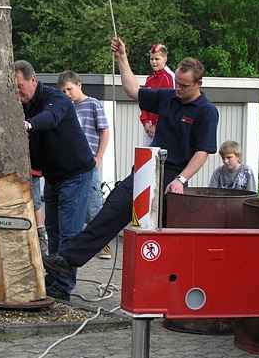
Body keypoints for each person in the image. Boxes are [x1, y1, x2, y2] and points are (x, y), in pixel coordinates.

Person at [44, 37, 219, 300]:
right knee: (112, 208)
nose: (179, 90)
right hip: (147, 168)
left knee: (160, 234)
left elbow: (203, 152)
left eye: (184, 86)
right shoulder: (167, 97)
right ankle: (66, 260)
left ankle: (169, 291)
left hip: (172, 176)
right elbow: (132, 91)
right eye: (177, 85)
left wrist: (182, 180)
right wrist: (122, 58)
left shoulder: (207, 111)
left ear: (198, 84)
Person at [14, 60, 95, 260]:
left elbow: (50, 117)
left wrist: (27, 125)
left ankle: (63, 287)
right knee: (54, 232)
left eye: (19, 87)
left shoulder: (57, 98)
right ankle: (55, 280)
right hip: (52, 177)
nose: (16, 93)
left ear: (32, 80)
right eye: (12, 89)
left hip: (75, 174)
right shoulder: (21, 104)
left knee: (69, 235)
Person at [57, 70, 112, 259]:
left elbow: (104, 131)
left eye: (69, 89)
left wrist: (99, 157)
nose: (67, 94)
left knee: (93, 203)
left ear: (79, 85)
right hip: (71, 164)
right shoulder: (66, 108)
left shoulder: (93, 104)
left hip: (89, 162)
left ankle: (102, 244)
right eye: (63, 91)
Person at [139, 44, 175, 146]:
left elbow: (168, 104)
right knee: (146, 157)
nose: (154, 62)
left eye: (157, 59)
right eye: (151, 59)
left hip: (162, 128)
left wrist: (157, 125)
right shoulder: (149, 79)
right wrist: (145, 122)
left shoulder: (169, 77)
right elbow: (144, 101)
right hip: (148, 128)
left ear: (165, 59)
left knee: (160, 158)